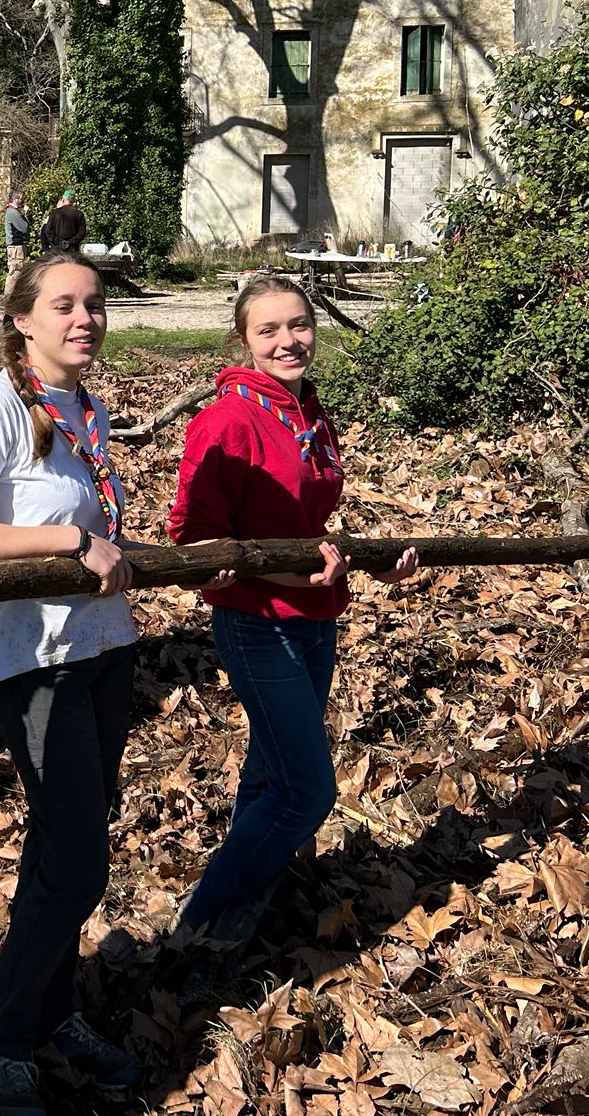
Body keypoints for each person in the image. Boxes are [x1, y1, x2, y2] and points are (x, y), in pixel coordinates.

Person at [0, 253, 144, 1116]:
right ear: (21, 319)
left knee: (70, 849)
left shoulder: (81, 406)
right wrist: (65, 546)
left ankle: (53, 1013)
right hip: (36, 658)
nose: (84, 318)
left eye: (93, 305)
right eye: (64, 306)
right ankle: (3, 1037)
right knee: (78, 855)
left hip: (103, 647)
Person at [165, 273, 418, 963]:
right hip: (258, 622)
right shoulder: (227, 420)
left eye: (298, 325)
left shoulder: (304, 410)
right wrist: (284, 574)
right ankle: (202, 927)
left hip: (315, 615)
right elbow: (191, 536)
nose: (288, 340)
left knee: (273, 772)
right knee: (308, 791)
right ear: (243, 340)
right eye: (269, 330)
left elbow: (311, 523)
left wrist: (370, 562)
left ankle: (252, 900)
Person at [37, 190, 86, 254]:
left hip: (56, 250)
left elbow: (48, 231)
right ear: (73, 201)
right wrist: (70, 242)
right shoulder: (79, 214)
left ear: (63, 199)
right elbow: (82, 233)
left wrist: (59, 242)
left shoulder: (54, 213)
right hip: (72, 250)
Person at [2, 190, 31, 274]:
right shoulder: (12, 212)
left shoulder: (14, 211)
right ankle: (9, 288)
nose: (22, 201)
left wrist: (27, 215)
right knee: (15, 273)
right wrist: (25, 214)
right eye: (21, 199)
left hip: (17, 246)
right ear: (16, 199)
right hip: (15, 247)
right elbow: (24, 228)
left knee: (19, 273)